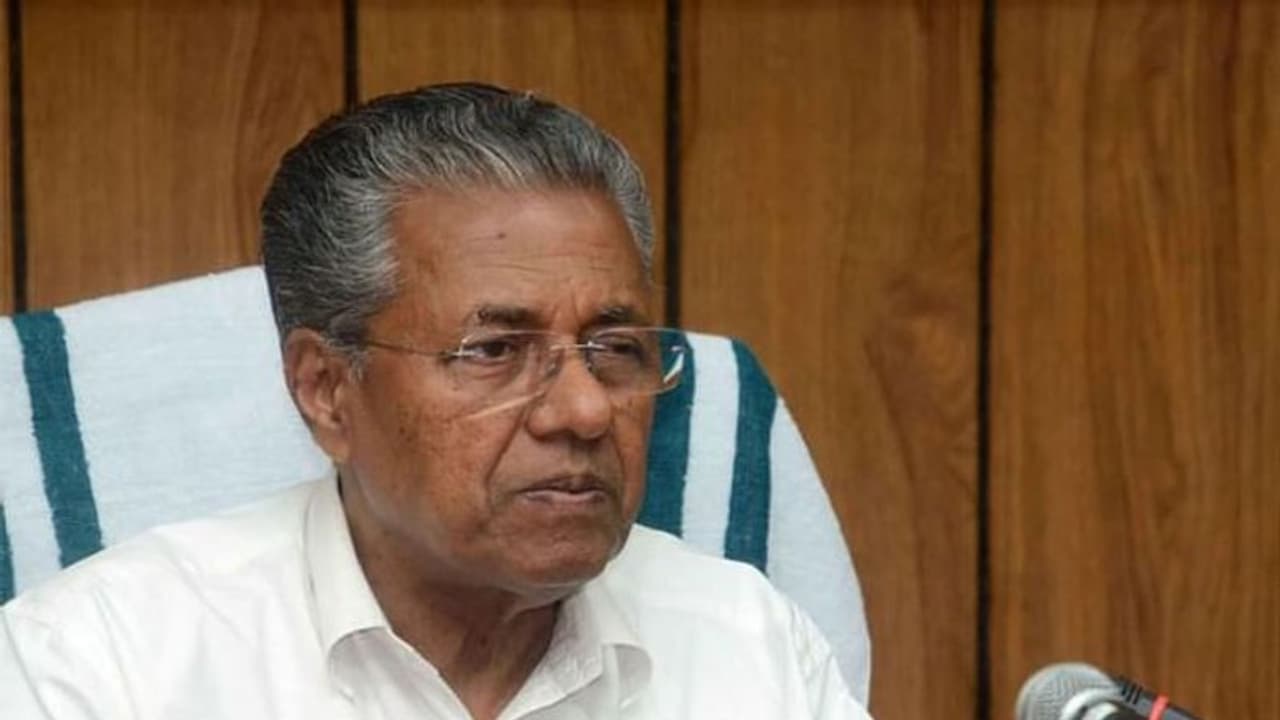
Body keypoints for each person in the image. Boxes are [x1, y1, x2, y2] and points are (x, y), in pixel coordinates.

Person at [0, 83, 871, 719]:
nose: (584, 412)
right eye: (495, 352)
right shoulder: (106, 668)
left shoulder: (749, 649)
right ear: (325, 391)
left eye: (614, 349)